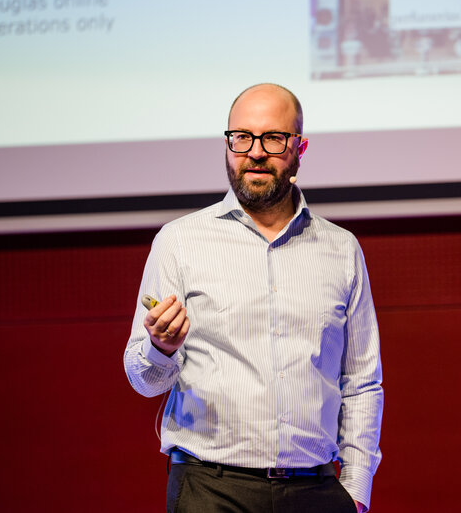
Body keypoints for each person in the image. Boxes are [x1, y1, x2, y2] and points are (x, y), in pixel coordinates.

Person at [124, 83, 383, 513]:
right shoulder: (180, 242)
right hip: (211, 489)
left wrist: (355, 490)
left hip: (316, 492)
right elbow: (143, 380)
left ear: (300, 148)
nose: (255, 152)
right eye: (241, 137)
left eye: (273, 138)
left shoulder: (342, 249)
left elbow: (362, 382)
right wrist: (160, 349)